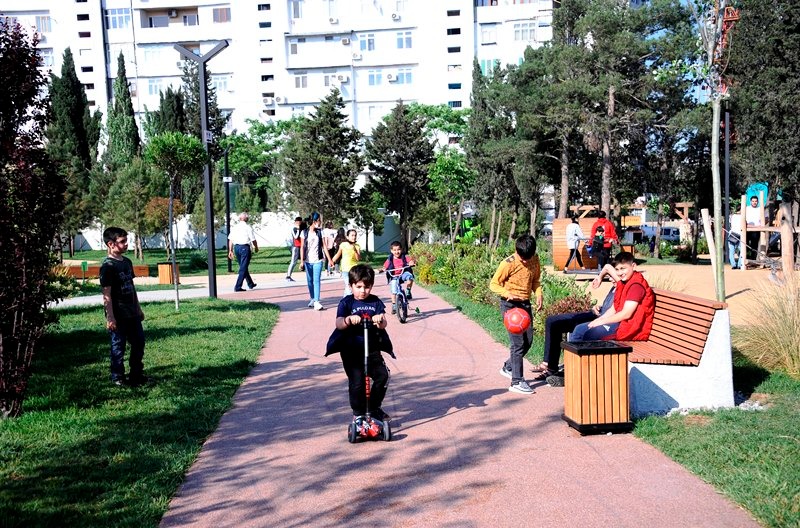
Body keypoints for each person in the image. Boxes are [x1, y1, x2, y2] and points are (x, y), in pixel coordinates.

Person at [325, 264, 394, 422]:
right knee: (357, 383)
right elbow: (338, 323)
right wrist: (348, 320)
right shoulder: (346, 303)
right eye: (359, 287)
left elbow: (384, 323)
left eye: (367, 287)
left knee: (383, 375)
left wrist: (379, 320)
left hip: (372, 349)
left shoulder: (375, 302)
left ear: (371, 286)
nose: (363, 291)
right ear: (351, 286)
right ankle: (358, 413)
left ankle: (374, 407)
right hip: (351, 350)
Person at [536, 264, 620, 386]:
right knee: (553, 322)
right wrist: (598, 307)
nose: (611, 279)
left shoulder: (624, 284)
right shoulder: (614, 287)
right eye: (610, 276)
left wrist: (601, 276)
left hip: (606, 322)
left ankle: (570, 373)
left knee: (578, 330)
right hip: (597, 314)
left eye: (613, 275)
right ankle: (550, 366)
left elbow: (607, 267)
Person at [490, 234, 544, 395]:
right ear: (516, 251)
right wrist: (507, 293)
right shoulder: (508, 263)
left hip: (525, 304)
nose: (526, 261)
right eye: (522, 258)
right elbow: (493, 284)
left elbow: (535, 280)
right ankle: (517, 381)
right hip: (510, 306)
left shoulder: (535, 259)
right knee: (518, 344)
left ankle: (508, 366)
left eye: (528, 258)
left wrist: (538, 294)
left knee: (528, 341)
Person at [569, 251, 654, 342]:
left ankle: (588, 351)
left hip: (629, 328)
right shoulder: (624, 283)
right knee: (579, 330)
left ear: (633, 266)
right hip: (620, 323)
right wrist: (599, 319)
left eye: (623, 268)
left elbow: (626, 314)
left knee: (590, 334)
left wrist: (601, 322)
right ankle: (574, 352)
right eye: (617, 269)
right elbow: (614, 308)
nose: (620, 273)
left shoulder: (636, 286)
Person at [99, 227, 147, 387]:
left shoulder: (127, 262)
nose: (126, 244)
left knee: (139, 342)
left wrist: (138, 308)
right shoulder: (108, 266)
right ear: (111, 244)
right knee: (118, 346)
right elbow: (106, 294)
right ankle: (118, 377)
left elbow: (131, 287)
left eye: (126, 241)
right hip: (118, 315)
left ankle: (136, 375)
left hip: (132, 312)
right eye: (122, 241)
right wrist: (110, 317)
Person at [300, 212, 333, 310]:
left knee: (316, 280)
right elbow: (301, 247)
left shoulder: (320, 232)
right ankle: (312, 298)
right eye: (319, 220)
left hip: (318, 260)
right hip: (307, 261)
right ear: (314, 221)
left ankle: (317, 301)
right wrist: (301, 261)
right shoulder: (304, 232)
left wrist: (330, 260)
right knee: (310, 281)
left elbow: (324, 247)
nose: (320, 222)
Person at [380, 241, 416, 314]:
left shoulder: (404, 257)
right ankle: (394, 305)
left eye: (398, 249)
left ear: (401, 249)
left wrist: (411, 263)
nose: (397, 252)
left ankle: (408, 290)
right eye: (394, 250)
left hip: (403, 273)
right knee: (393, 291)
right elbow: (385, 266)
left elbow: (410, 261)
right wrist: (382, 269)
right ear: (391, 251)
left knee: (410, 277)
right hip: (394, 276)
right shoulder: (390, 258)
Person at [227, 212, 259, 292]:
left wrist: (230, 250)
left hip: (236, 248)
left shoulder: (235, 227)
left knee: (243, 266)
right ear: (246, 219)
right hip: (245, 248)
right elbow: (253, 239)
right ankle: (238, 287)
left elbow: (230, 239)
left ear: (240, 218)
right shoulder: (248, 227)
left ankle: (250, 283)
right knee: (243, 268)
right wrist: (256, 247)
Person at [330, 228, 362, 296]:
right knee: (348, 285)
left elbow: (358, 259)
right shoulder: (343, 245)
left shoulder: (357, 246)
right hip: (345, 269)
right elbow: (338, 254)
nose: (354, 237)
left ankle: (345, 299)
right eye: (352, 235)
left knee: (351, 286)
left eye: (355, 235)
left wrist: (355, 251)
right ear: (347, 237)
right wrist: (332, 261)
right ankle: (347, 300)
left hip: (354, 270)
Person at [745, 195, 763, 260]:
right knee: (745, 244)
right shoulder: (747, 208)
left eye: (755, 201)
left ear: (757, 202)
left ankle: (753, 259)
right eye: (753, 201)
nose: (754, 202)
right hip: (747, 229)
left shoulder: (760, 209)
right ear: (750, 201)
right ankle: (746, 258)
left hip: (756, 229)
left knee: (754, 245)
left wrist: (761, 224)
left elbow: (765, 218)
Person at [286, 216, 303, 282]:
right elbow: (295, 237)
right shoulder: (294, 229)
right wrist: (298, 230)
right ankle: (288, 276)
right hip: (295, 247)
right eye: (298, 221)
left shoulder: (301, 228)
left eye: (300, 221)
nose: (299, 223)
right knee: (293, 262)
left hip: (300, 246)